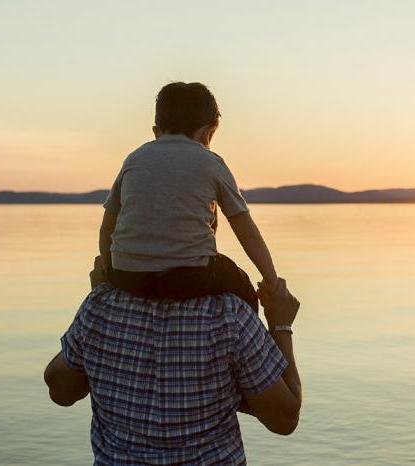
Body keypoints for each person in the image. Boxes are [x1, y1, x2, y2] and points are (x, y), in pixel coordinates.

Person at [44, 269, 301, 465]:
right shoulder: (229, 316)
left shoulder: (100, 307)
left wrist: (98, 306)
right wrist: (280, 325)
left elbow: (60, 390)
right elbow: (284, 419)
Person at [98, 81, 287, 309]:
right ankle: (245, 339)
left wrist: (110, 272)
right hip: (190, 277)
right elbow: (246, 230)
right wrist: (272, 282)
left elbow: (107, 227)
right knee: (242, 284)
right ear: (208, 132)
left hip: (127, 276)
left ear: (156, 132)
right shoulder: (211, 162)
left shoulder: (134, 158)